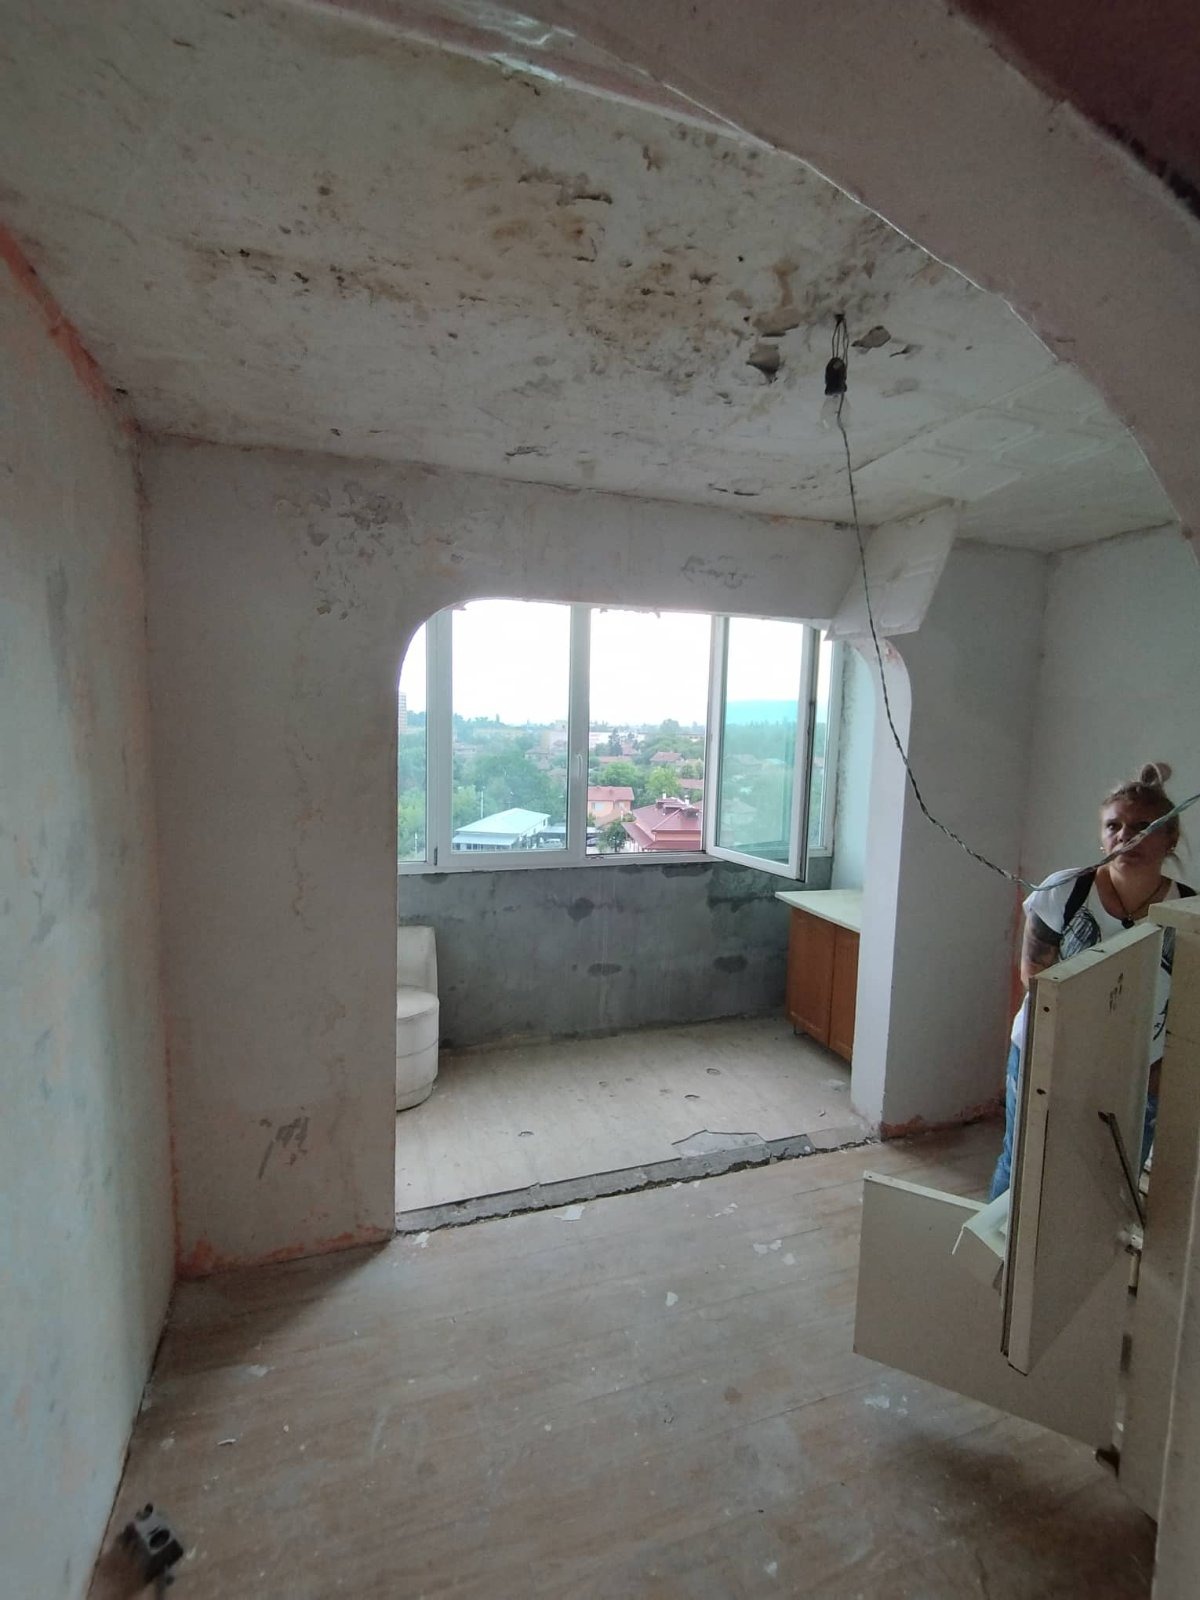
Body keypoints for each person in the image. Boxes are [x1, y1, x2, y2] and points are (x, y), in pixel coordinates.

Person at [990, 762, 1195, 1201]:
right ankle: (1001, 1248)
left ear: (1170, 838)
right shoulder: (1065, 890)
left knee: (1109, 1184)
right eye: (1113, 826)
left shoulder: (1188, 914)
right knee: (1023, 1165)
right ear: (1101, 837)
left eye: (1143, 826)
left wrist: (1155, 1077)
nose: (1126, 836)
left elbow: (1187, 1009)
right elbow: (1035, 978)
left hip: (1137, 1071)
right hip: (1049, 1054)